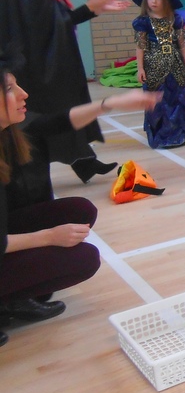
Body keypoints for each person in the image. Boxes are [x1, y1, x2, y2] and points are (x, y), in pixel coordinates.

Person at [0, 58, 160, 347]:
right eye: (10, 88)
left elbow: (59, 121)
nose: (24, 93)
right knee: (82, 258)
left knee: (79, 211)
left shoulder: (11, 131)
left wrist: (112, 103)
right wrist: (49, 237)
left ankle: (12, 302)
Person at [0, 0, 128, 184]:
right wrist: (90, 7)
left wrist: (93, 9)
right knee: (46, 121)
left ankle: (82, 161)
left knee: (64, 110)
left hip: (42, 69)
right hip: (32, 74)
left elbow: (54, 22)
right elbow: (43, 29)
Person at [129, 0, 185, 149]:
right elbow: (140, 47)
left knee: (177, 98)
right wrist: (140, 68)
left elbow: (182, 44)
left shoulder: (176, 20)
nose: (154, 1)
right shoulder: (143, 23)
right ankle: (161, 135)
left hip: (175, 66)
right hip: (154, 68)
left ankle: (179, 134)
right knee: (158, 101)